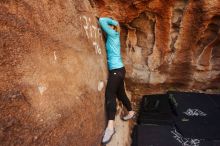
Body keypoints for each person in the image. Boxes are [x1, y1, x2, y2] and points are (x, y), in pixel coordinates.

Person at [99, 17, 136, 144]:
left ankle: (110, 127)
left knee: (110, 95)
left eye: (111, 27)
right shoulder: (114, 35)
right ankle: (131, 112)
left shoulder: (113, 33)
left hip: (116, 71)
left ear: (113, 28)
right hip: (120, 70)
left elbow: (102, 21)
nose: (108, 28)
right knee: (121, 94)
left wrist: (113, 22)